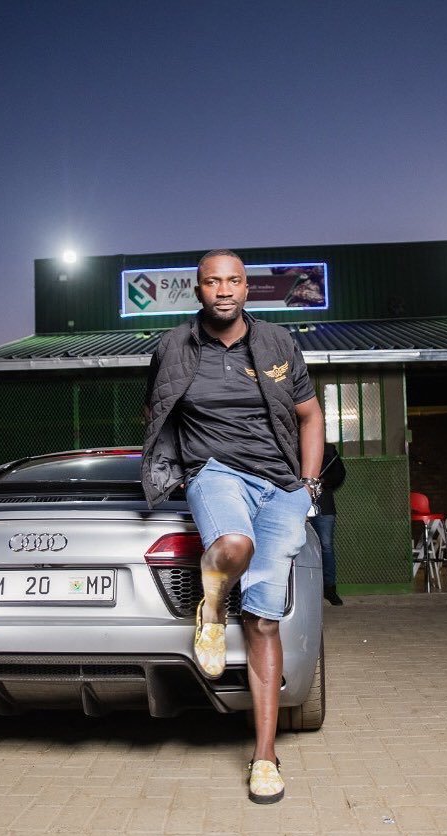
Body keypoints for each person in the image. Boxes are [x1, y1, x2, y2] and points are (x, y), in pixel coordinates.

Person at [142, 249, 325, 803]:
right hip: (215, 472)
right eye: (211, 282)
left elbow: (309, 415)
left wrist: (309, 485)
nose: (223, 290)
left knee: (265, 621)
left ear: (248, 289)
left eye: (233, 281)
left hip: (282, 487)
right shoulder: (173, 347)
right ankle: (211, 608)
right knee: (233, 544)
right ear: (197, 291)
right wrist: (169, 469)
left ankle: (264, 757)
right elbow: (155, 412)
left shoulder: (277, 343)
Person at [310, 442, 346, 605]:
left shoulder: (329, 452)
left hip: (323, 505)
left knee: (326, 546)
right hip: (299, 503)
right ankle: (305, 588)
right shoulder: (291, 446)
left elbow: (339, 475)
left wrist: (324, 481)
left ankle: (329, 588)